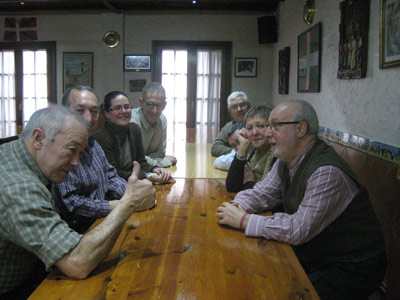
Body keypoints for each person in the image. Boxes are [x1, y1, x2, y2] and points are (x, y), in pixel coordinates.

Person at [216, 100, 386, 300]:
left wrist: (244, 220)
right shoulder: (286, 160)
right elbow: (262, 192)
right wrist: (237, 206)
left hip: (353, 264)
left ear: (300, 129)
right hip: (315, 251)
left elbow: (299, 229)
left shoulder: (327, 171)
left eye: (275, 125)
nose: (268, 133)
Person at [0, 106, 155, 299]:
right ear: (38, 138)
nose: (76, 163)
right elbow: (78, 263)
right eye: (72, 150)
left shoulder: (21, 155)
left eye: (80, 153)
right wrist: (128, 203)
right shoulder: (17, 187)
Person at [53, 86, 143, 233]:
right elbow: (70, 204)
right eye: (79, 111)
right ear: (64, 113)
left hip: (102, 222)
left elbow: (111, 177)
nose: (88, 118)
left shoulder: (93, 143)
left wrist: (134, 194)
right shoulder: (58, 147)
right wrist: (120, 204)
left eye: (93, 111)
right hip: (76, 234)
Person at [94, 91, 175, 184]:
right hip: (116, 187)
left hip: (135, 182)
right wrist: (149, 176)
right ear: (107, 113)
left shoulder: (134, 129)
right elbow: (113, 174)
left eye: (126, 107)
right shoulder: (102, 137)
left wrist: (155, 169)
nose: (123, 111)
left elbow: (141, 162)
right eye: (117, 108)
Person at [225, 105, 275, 193]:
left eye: (260, 126)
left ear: (272, 127)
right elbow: (232, 187)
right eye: (249, 128)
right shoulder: (255, 153)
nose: (255, 132)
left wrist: (249, 183)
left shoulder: (277, 156)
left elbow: (269, 196)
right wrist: (242, 148)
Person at [130, 82, 177, 168]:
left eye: (159, 105)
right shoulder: (132, 122)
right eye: (150, 104)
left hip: (150, 170)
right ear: (141, 103)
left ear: (164, 106)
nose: (154, 111)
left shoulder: (162, 119)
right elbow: (134, 159)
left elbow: (160, 153)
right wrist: (164, 162)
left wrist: (150, 160)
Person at [211, 91, 251, 157]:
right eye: (234, 107)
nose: (239, 109)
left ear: (249, 106)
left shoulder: (256, 124)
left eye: (242, 105)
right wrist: (239, 152)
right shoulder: (229, 126)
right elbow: (215, 148)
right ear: (230, 111)